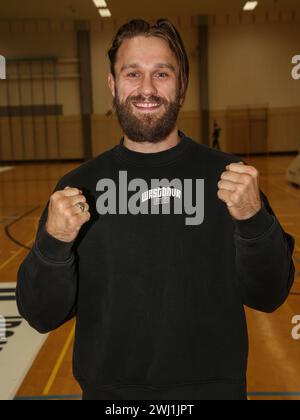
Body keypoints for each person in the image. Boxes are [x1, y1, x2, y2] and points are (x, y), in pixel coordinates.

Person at [16, 19, 295, 401]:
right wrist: (54, 244)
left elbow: (270, 294)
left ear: (181, 85)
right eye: (133, 73)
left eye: (161, 73)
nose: (146, 88)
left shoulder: (230, 177)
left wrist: (253, 221)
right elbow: (41, 315)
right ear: (113, 85)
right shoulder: (79, 187)